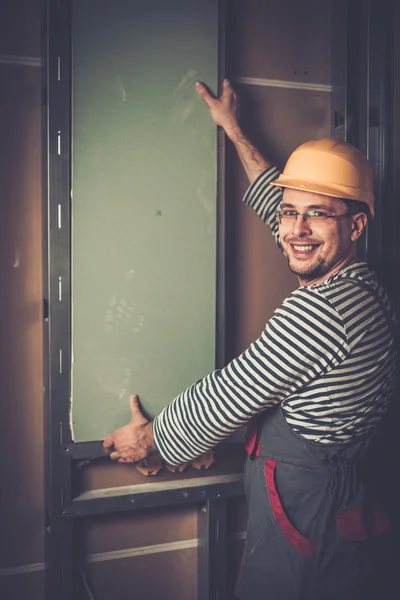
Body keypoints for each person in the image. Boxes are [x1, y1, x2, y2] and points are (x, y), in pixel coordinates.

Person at [103, 80, 397, 599]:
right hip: (336, 502)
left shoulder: (321, 313)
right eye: (289, 212)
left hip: (312, 515)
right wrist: (235, 132)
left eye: (318, 214)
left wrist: (147, 442)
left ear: (357, 224)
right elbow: (282, 209)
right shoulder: (362, 282)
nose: (295, 229)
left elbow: (228, 396)